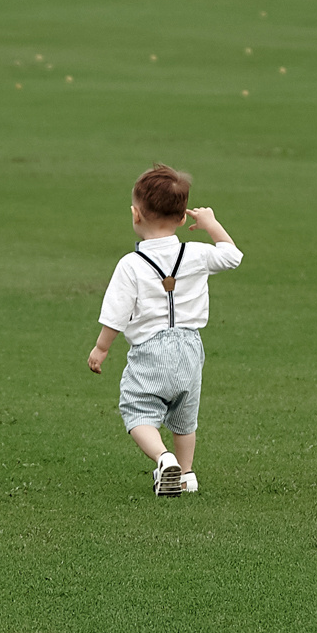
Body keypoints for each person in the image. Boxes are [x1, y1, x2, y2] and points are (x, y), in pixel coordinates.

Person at [88, 164, 242, 496]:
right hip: (190, 348)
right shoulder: (198, 254)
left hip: (150, 350)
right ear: (184, 219)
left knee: (137, 409)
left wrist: (101, 348)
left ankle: (163, 457)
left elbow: (116, 312)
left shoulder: (130, 264)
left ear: (136, 215)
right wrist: (213, 225)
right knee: (185, 419)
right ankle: (186, 475)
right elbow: (232, 257)